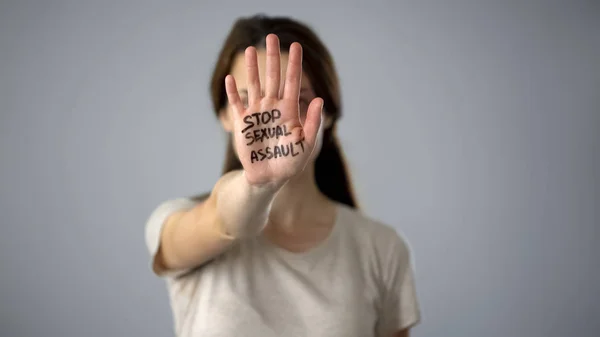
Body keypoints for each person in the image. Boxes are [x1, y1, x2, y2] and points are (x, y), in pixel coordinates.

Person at [145, 14, 421, 337]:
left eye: (296, 101)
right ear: (224, 116)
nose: (273, 120)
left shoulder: (382, 249)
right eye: (249, 102)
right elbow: (226, 220)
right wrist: (260, 182)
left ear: (328, 114)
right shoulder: (174, 222)